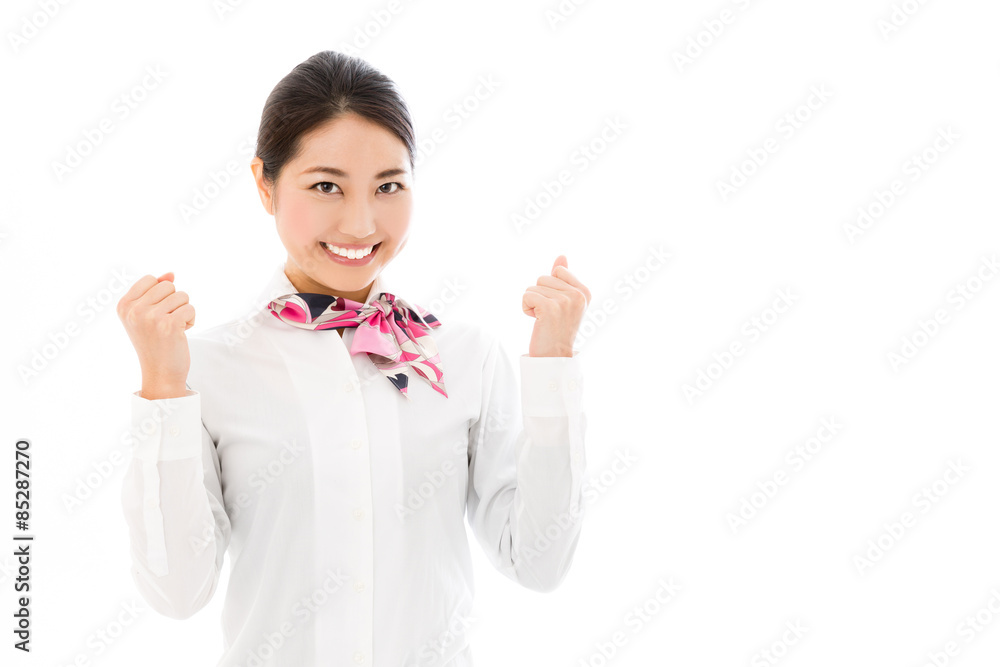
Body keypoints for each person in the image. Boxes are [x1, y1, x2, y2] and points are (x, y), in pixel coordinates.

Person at [117, 50, 591, 666]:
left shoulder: (465, 355)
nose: (361, 222)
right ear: (265, 184)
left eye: (388, 186)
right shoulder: (203, 370)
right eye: (325, 186)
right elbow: (178, 593)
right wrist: (161, 389)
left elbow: (540, 562)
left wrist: (554, 365)